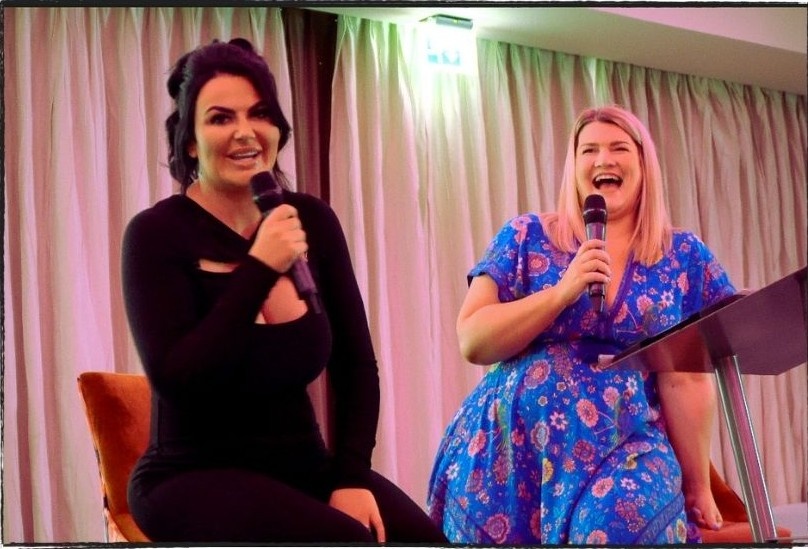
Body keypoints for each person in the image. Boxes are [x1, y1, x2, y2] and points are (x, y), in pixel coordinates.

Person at [122, 38, 445, 543]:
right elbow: (177, 378)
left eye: (259, 114)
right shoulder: (156, 233)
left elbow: (357, 366)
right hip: (191, 474)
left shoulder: (311, 218)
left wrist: (351, 476)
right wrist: (260, 267)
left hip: (302, 466)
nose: (245, 131)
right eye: (220, 118)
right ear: (190, 142)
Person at [427, 105, 735, 545]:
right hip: (515, 452)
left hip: (625, 441)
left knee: (619, 526)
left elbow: (685, 377)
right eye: (588, 150)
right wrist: (561, 292)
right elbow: (473, 339)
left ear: (644, 164)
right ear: (573, 167)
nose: (603, 160)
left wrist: (698, 485)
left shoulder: (684, 255)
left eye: (618, 148)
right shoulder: (526, 235)